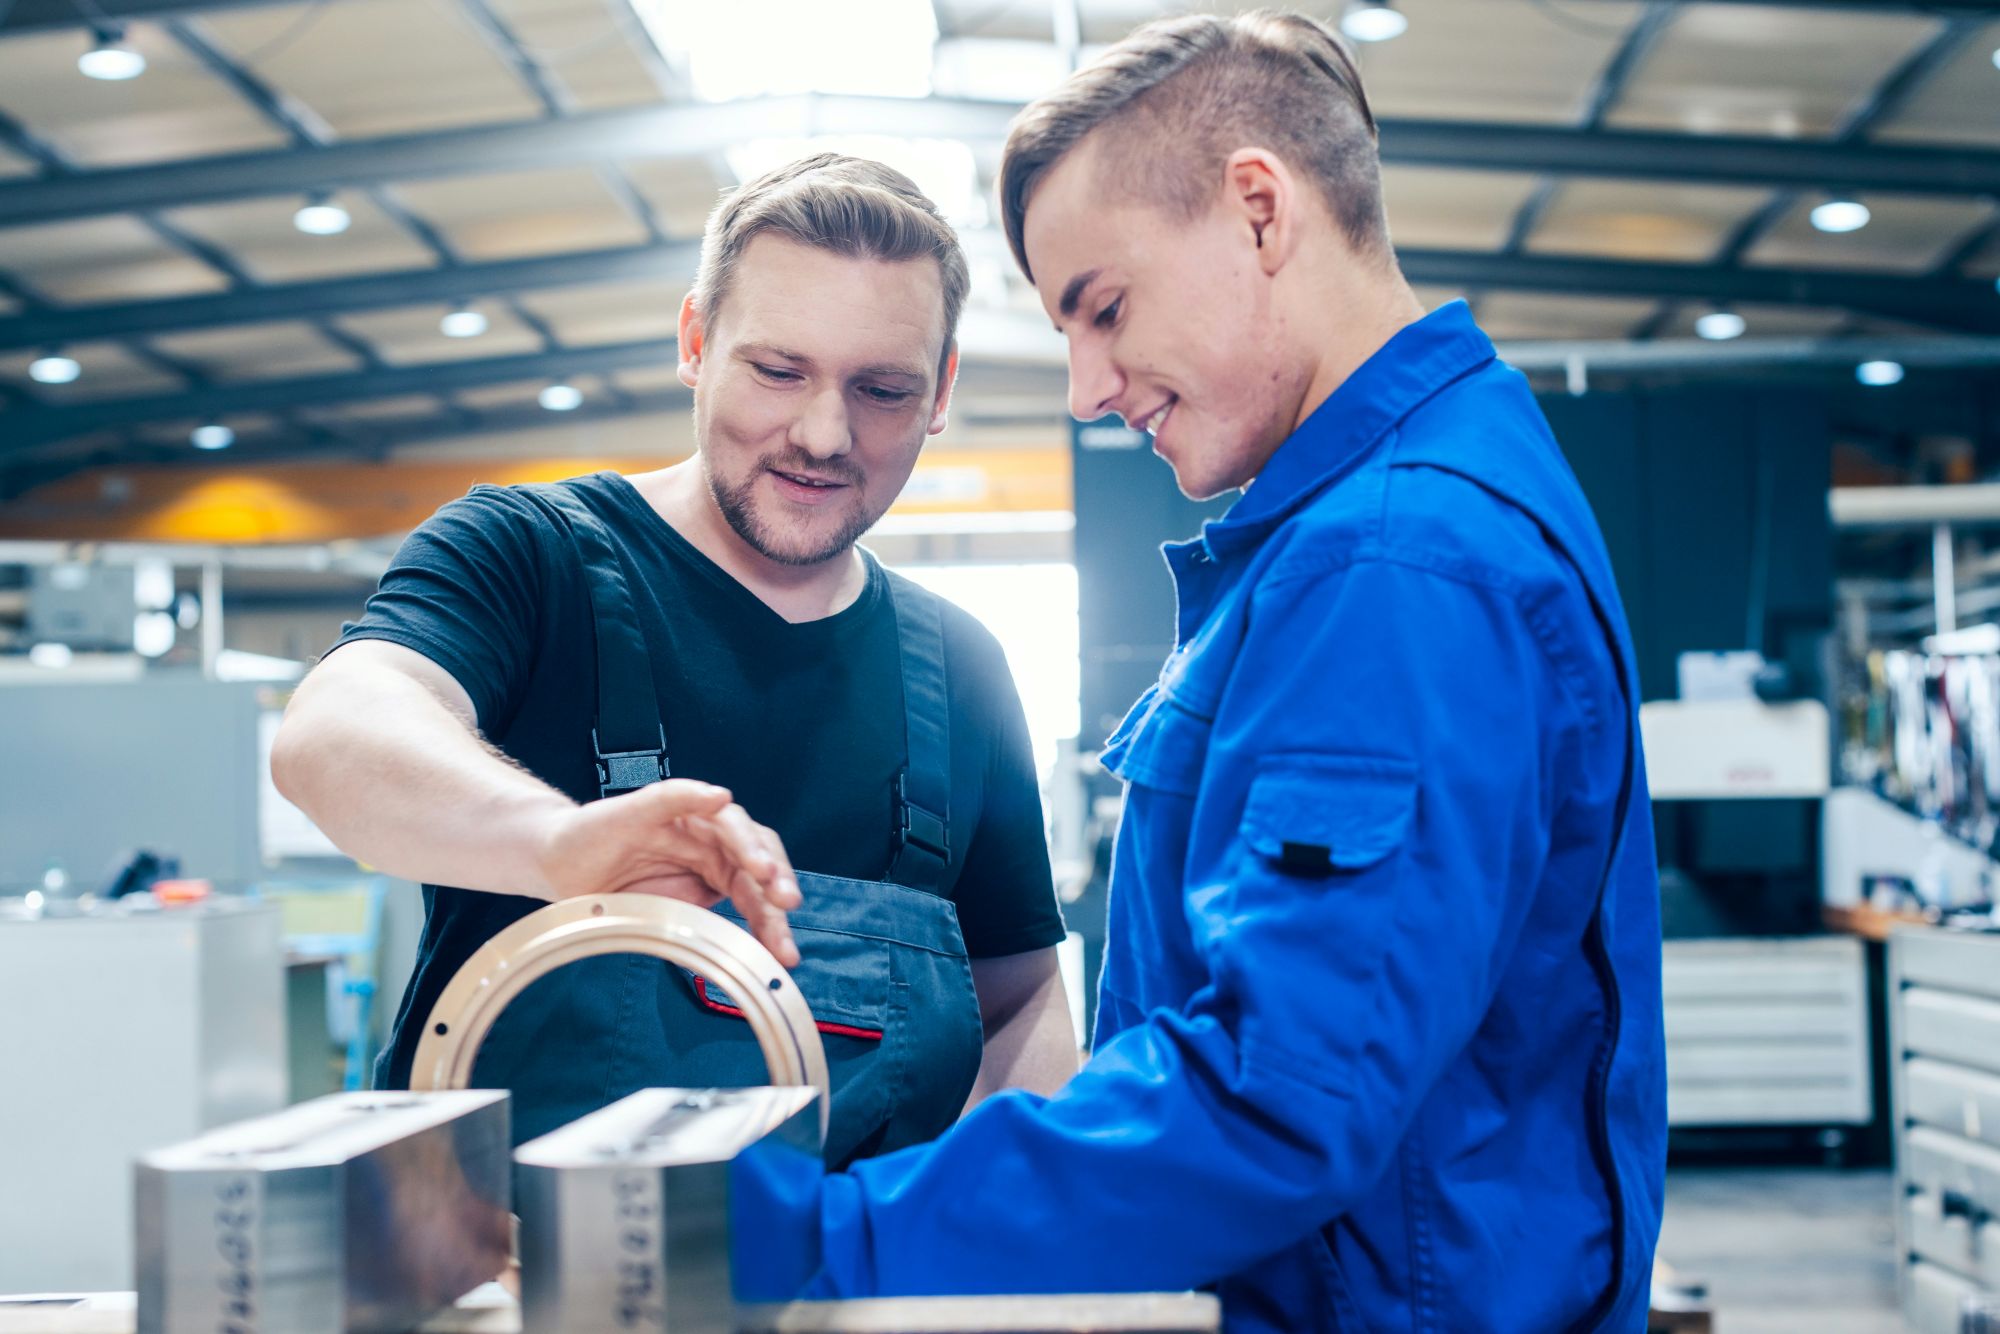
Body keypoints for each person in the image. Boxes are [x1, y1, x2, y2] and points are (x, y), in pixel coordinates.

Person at [736, 14, 1666, 1331]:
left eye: (1104, 309)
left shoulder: (1393, 565)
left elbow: (1274, 1095)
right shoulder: (1408, 504)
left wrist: (820, 1233)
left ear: (1258, 212)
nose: (1084, 387)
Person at [271, 154, 1078, 1167]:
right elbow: (331, 732)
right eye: (777, 371)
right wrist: (558, 843)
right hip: (520, 1292)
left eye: (880, 388)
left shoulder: (960, 667)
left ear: (941, 389)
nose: (823, 434)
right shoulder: (527, 554)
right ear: (696, 341)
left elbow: (1020, 1000)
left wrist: (995, 1228)